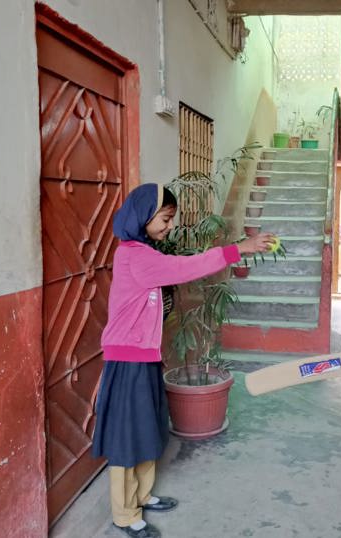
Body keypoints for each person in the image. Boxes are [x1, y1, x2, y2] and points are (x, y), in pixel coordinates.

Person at [92, 183, 274, 538]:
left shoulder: (142, 250)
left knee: (146, 427)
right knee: (128, 437)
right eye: (165, 218)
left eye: (171, 219)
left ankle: (142, 496)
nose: (169, 226)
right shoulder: (134, 255)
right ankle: (124, 514)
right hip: (127, 360)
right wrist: (239, 249)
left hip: (142, 356)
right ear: (143, 215)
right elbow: (184, 268)